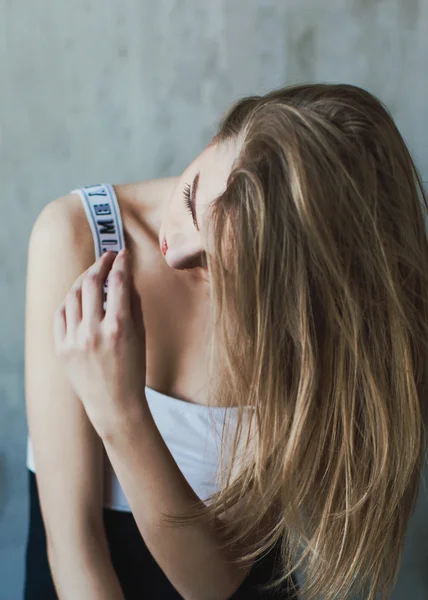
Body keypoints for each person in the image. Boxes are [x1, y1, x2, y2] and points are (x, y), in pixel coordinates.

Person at [23, 82, 428, 600]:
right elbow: (72, 546)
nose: (177, 253)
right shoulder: (73, 236)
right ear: (220, 135)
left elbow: (216, 585)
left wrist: (121, 413)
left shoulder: (295, 322)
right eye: (192, 199)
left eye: (220, 266)